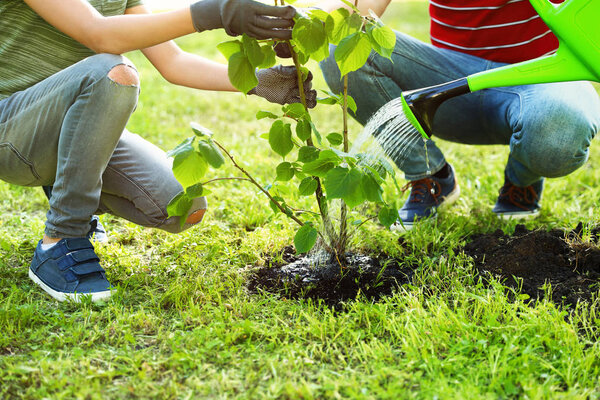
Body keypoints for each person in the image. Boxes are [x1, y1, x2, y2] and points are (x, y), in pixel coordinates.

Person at [0, 0, 317, 302]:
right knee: (113, 72)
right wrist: (213, 12)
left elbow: (173, 62)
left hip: (69, 126)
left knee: (184, 206)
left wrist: (260, 82)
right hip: (11, 131)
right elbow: (98, 34)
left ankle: (67, 185)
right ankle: (62, 237)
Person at [316, 0, 600, 230]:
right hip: (454, 86)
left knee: (559, 130)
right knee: (344, 47)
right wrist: (299, 22)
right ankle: (430, 175)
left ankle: (522, 180)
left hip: (545, 79)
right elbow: (357, 9)